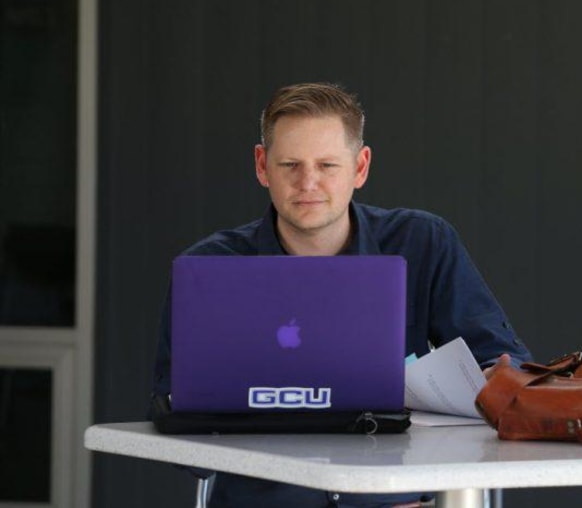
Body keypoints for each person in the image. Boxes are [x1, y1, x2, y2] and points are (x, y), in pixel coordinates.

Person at [151, 82, 533, 508]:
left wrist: (491, 382)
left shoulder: (423, 242)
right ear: (262, 166)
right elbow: (171, 413)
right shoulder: (210, 270)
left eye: (328, 165)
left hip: (392, 499)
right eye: (290, 164)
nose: (307, 183)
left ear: (360, 166)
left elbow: (503, 360)